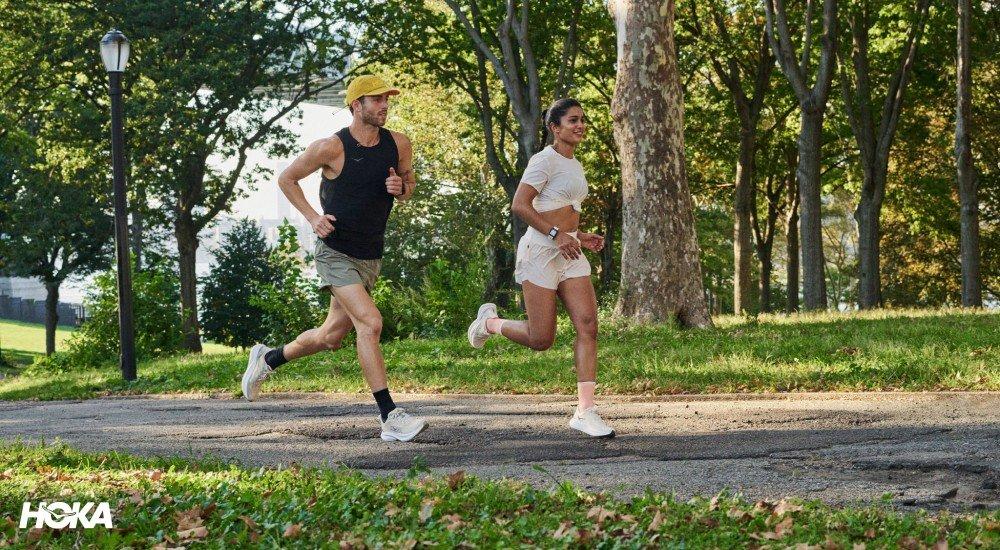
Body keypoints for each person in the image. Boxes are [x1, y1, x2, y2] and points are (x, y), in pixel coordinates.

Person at [241, 75, 427, 442]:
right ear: (356, 106)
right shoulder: (331, 147)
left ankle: (268, 359)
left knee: (329, 337)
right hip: (335, 251)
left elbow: (408, 185)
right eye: (375, 100)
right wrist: (313, 217)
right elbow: (287, 179)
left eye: (387, 100)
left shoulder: (399, 144)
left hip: (369, 254)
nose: (384, 106)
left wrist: (401, 189)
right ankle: (389, 415)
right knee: (370, 323)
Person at [467, 98, 615, 438]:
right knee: (541, 338)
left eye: (583, 120)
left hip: (569, 250)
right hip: (540, 252)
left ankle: (585, 410)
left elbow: (559, 207)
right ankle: (489, 323)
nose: (580, 125)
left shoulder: (574, 163)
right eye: (573, 120)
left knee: (588, 325)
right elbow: (520, 204)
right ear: (555, 127)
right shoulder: (543, 160)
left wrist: (579, 234)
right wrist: (556, 233)